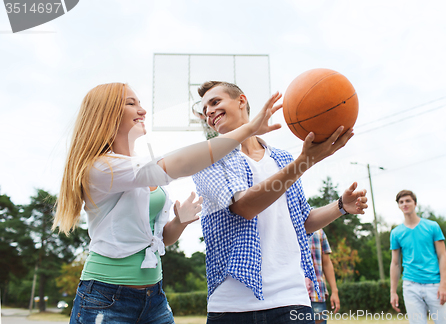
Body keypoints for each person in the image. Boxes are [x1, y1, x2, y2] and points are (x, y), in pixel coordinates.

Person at [52, 82, 283, 324]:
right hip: (106, 296)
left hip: (154, 297)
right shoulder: (100, 167)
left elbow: (161, 239)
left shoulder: (137, 167)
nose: (142, 111)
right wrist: (248, 129)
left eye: (140, 103)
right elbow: (179, 164)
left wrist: (179, 222)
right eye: (131, 103)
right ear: (105, 113)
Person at [192, 81, 368, 324]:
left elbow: (302, 222)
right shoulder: (206, 157)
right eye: (205, 109)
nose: (209, 111)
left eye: (215, 102)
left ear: (241, 101)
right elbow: (245, 207)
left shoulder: (283, 159)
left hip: (291, 298)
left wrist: (339, 206)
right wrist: (303, 163)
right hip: (233, 305)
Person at [390, 190, 446, 324]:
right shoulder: (396, 233)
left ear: (415, 203)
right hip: (410, 286)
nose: (404, 204)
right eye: (401, 202)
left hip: (434, 285)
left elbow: (442, 256)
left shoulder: (432, 226)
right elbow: (395, 263)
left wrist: (444, 284)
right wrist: (393, 291)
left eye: (408, 201)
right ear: (398, 206)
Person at [307, 229, 340, 324]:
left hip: (316, 295)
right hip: (293, 296)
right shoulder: (288, 228)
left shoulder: (319, 232)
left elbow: (326, 263)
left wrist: (334, 291)